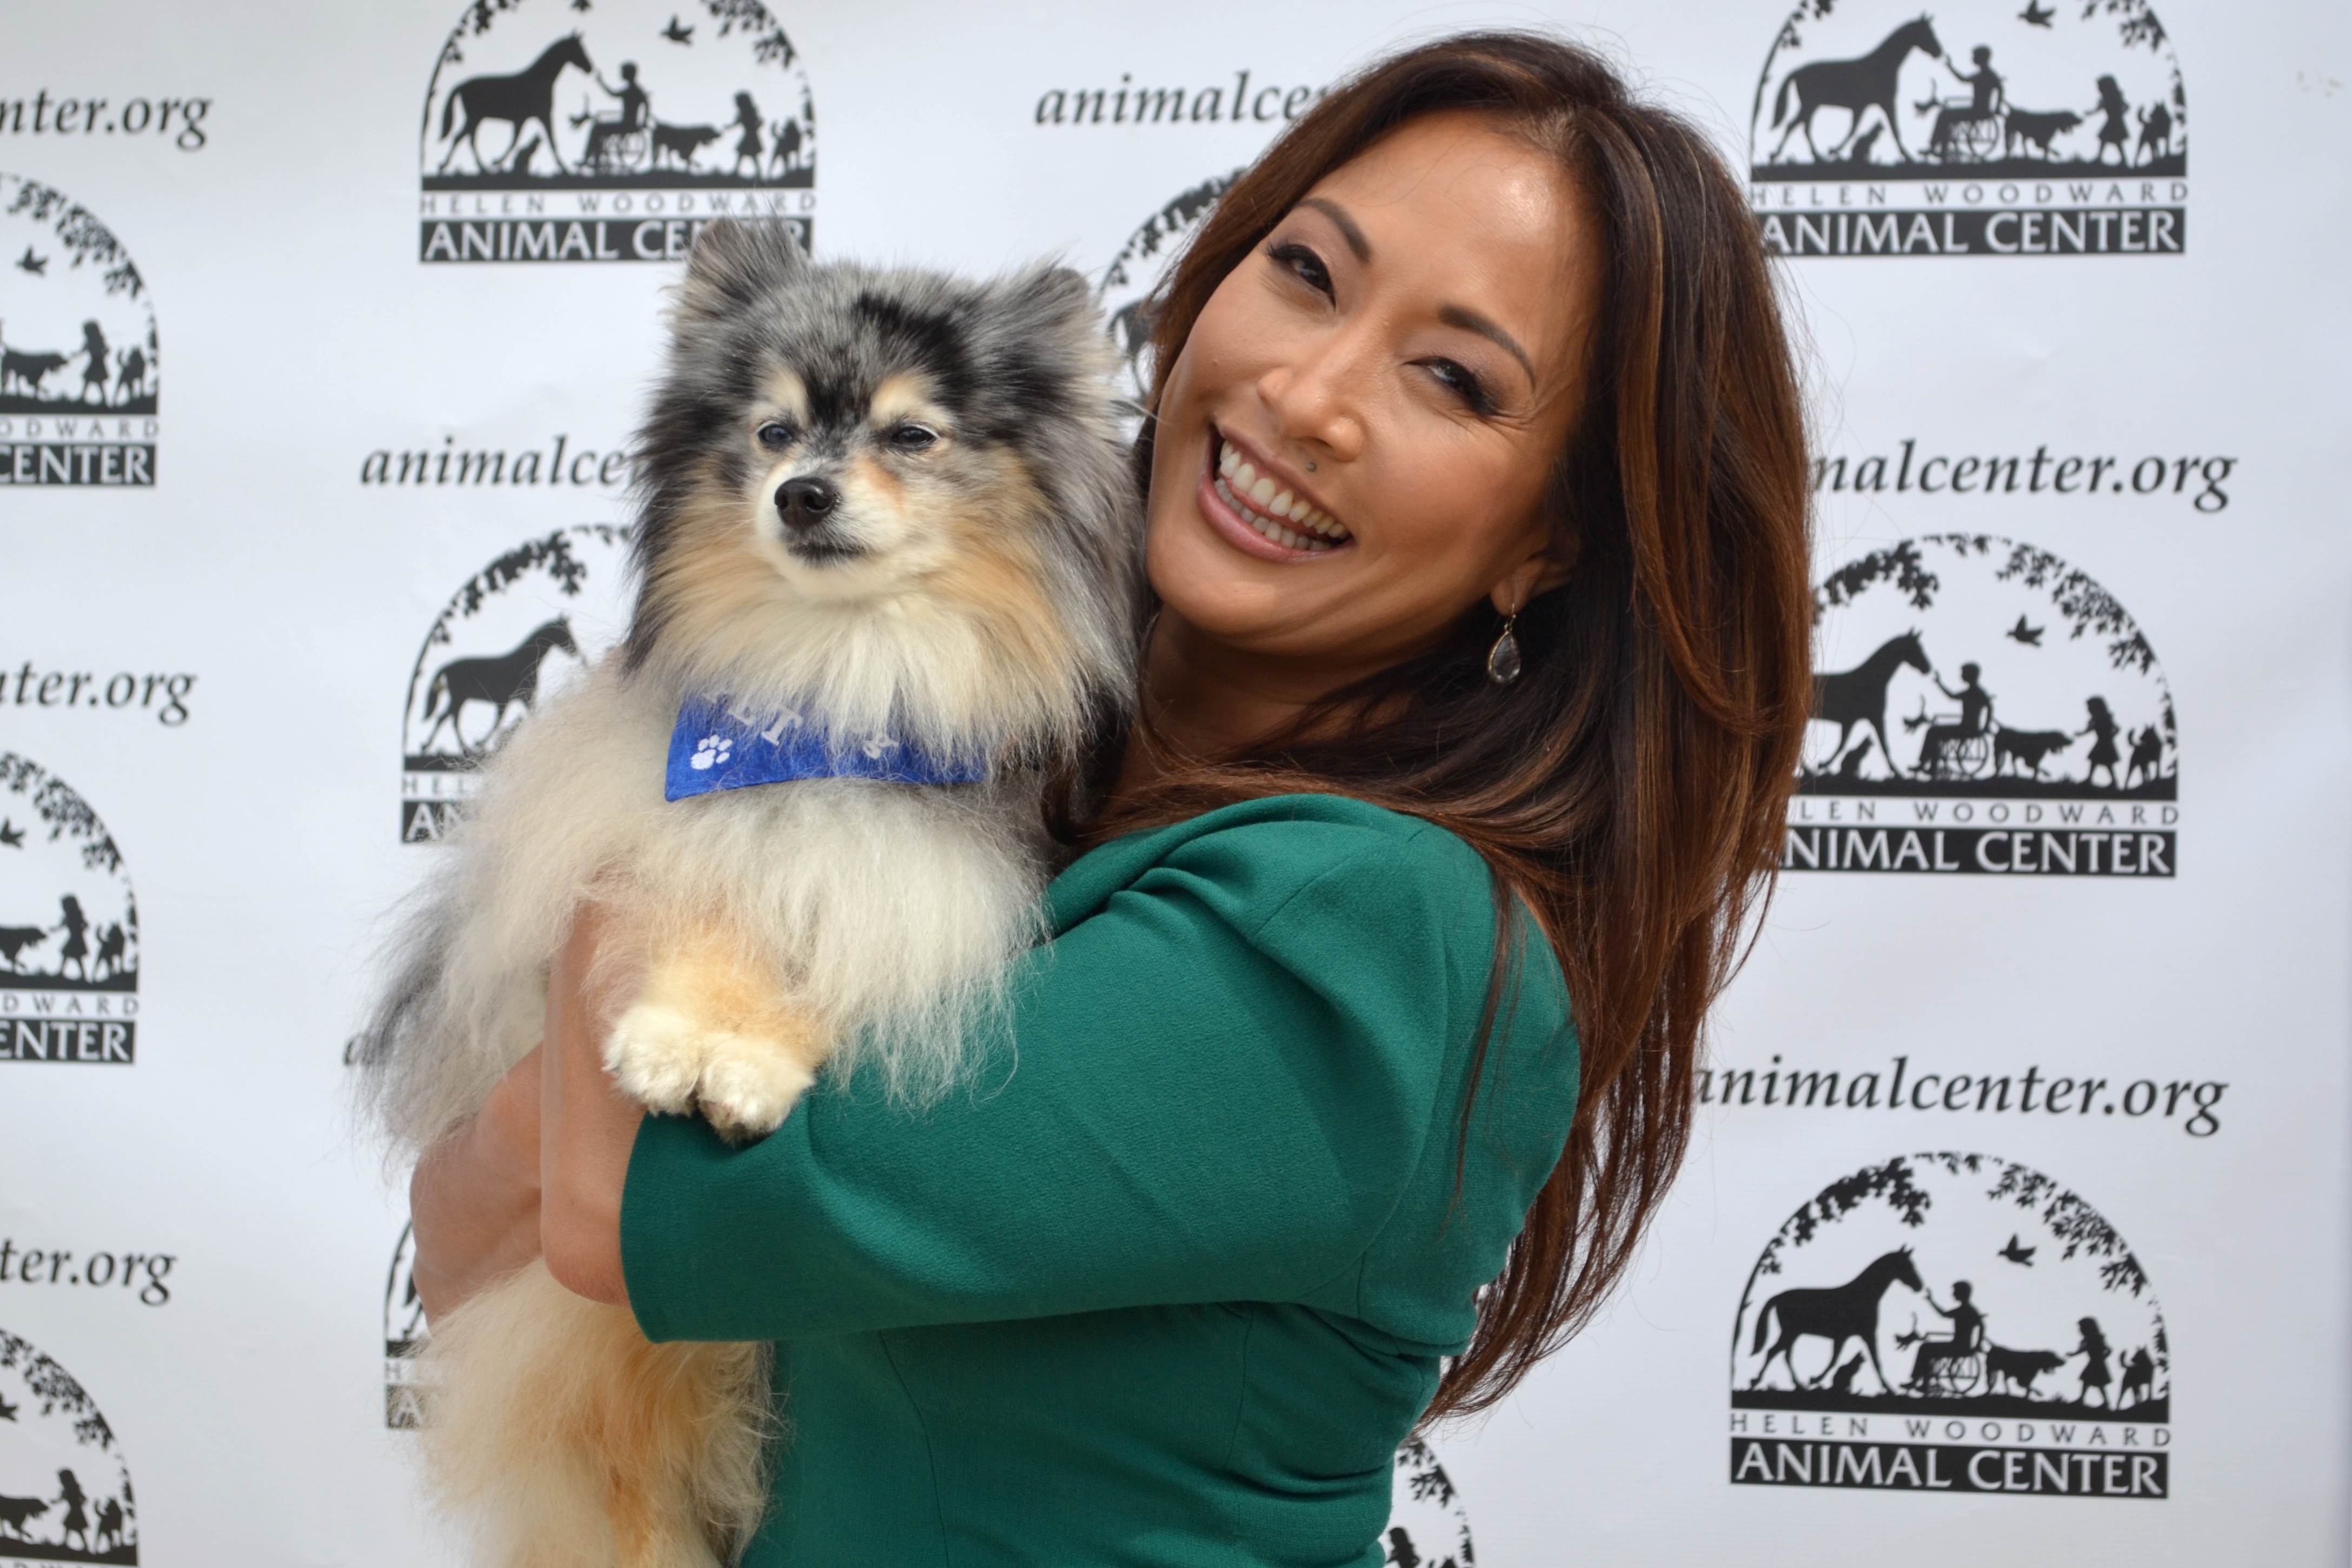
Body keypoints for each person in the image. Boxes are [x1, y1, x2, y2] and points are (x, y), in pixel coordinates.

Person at [405, 30, 1813, 1564]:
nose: (1309, 391)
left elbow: (610, 1205)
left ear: (1548, 544)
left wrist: (673, 748)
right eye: (1307, 274)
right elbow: (466, 1237)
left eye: (1451, 379)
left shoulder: (1366, 930)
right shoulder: (1014, 768)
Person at [1917, 661, 1994, 776]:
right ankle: (1929, 765)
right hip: (1965, 727)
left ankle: (1927, 764)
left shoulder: (1976, 693)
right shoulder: (1972, 692)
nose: (1961, 675)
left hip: (1968, 729)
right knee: (1935, 732)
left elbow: (1990, 707)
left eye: (1963, 673)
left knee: (1934, 732)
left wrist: (1987, 726)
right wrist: (1939, 683)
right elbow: (1952, 696)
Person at [1910, 1280, 1986, 1391]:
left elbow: (1944, 1315)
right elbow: (1982, 1326)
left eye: (1955, 1292)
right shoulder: (1968, 1310)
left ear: (1962, 1294)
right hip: (1959, 1345)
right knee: (1927, 1348)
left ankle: (1920, 1382)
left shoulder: (1966, 1311)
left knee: (1925, 1349)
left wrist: (1931, 1301)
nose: (1953, 1294)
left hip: (1959, 1347)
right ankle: (1921, 1382)